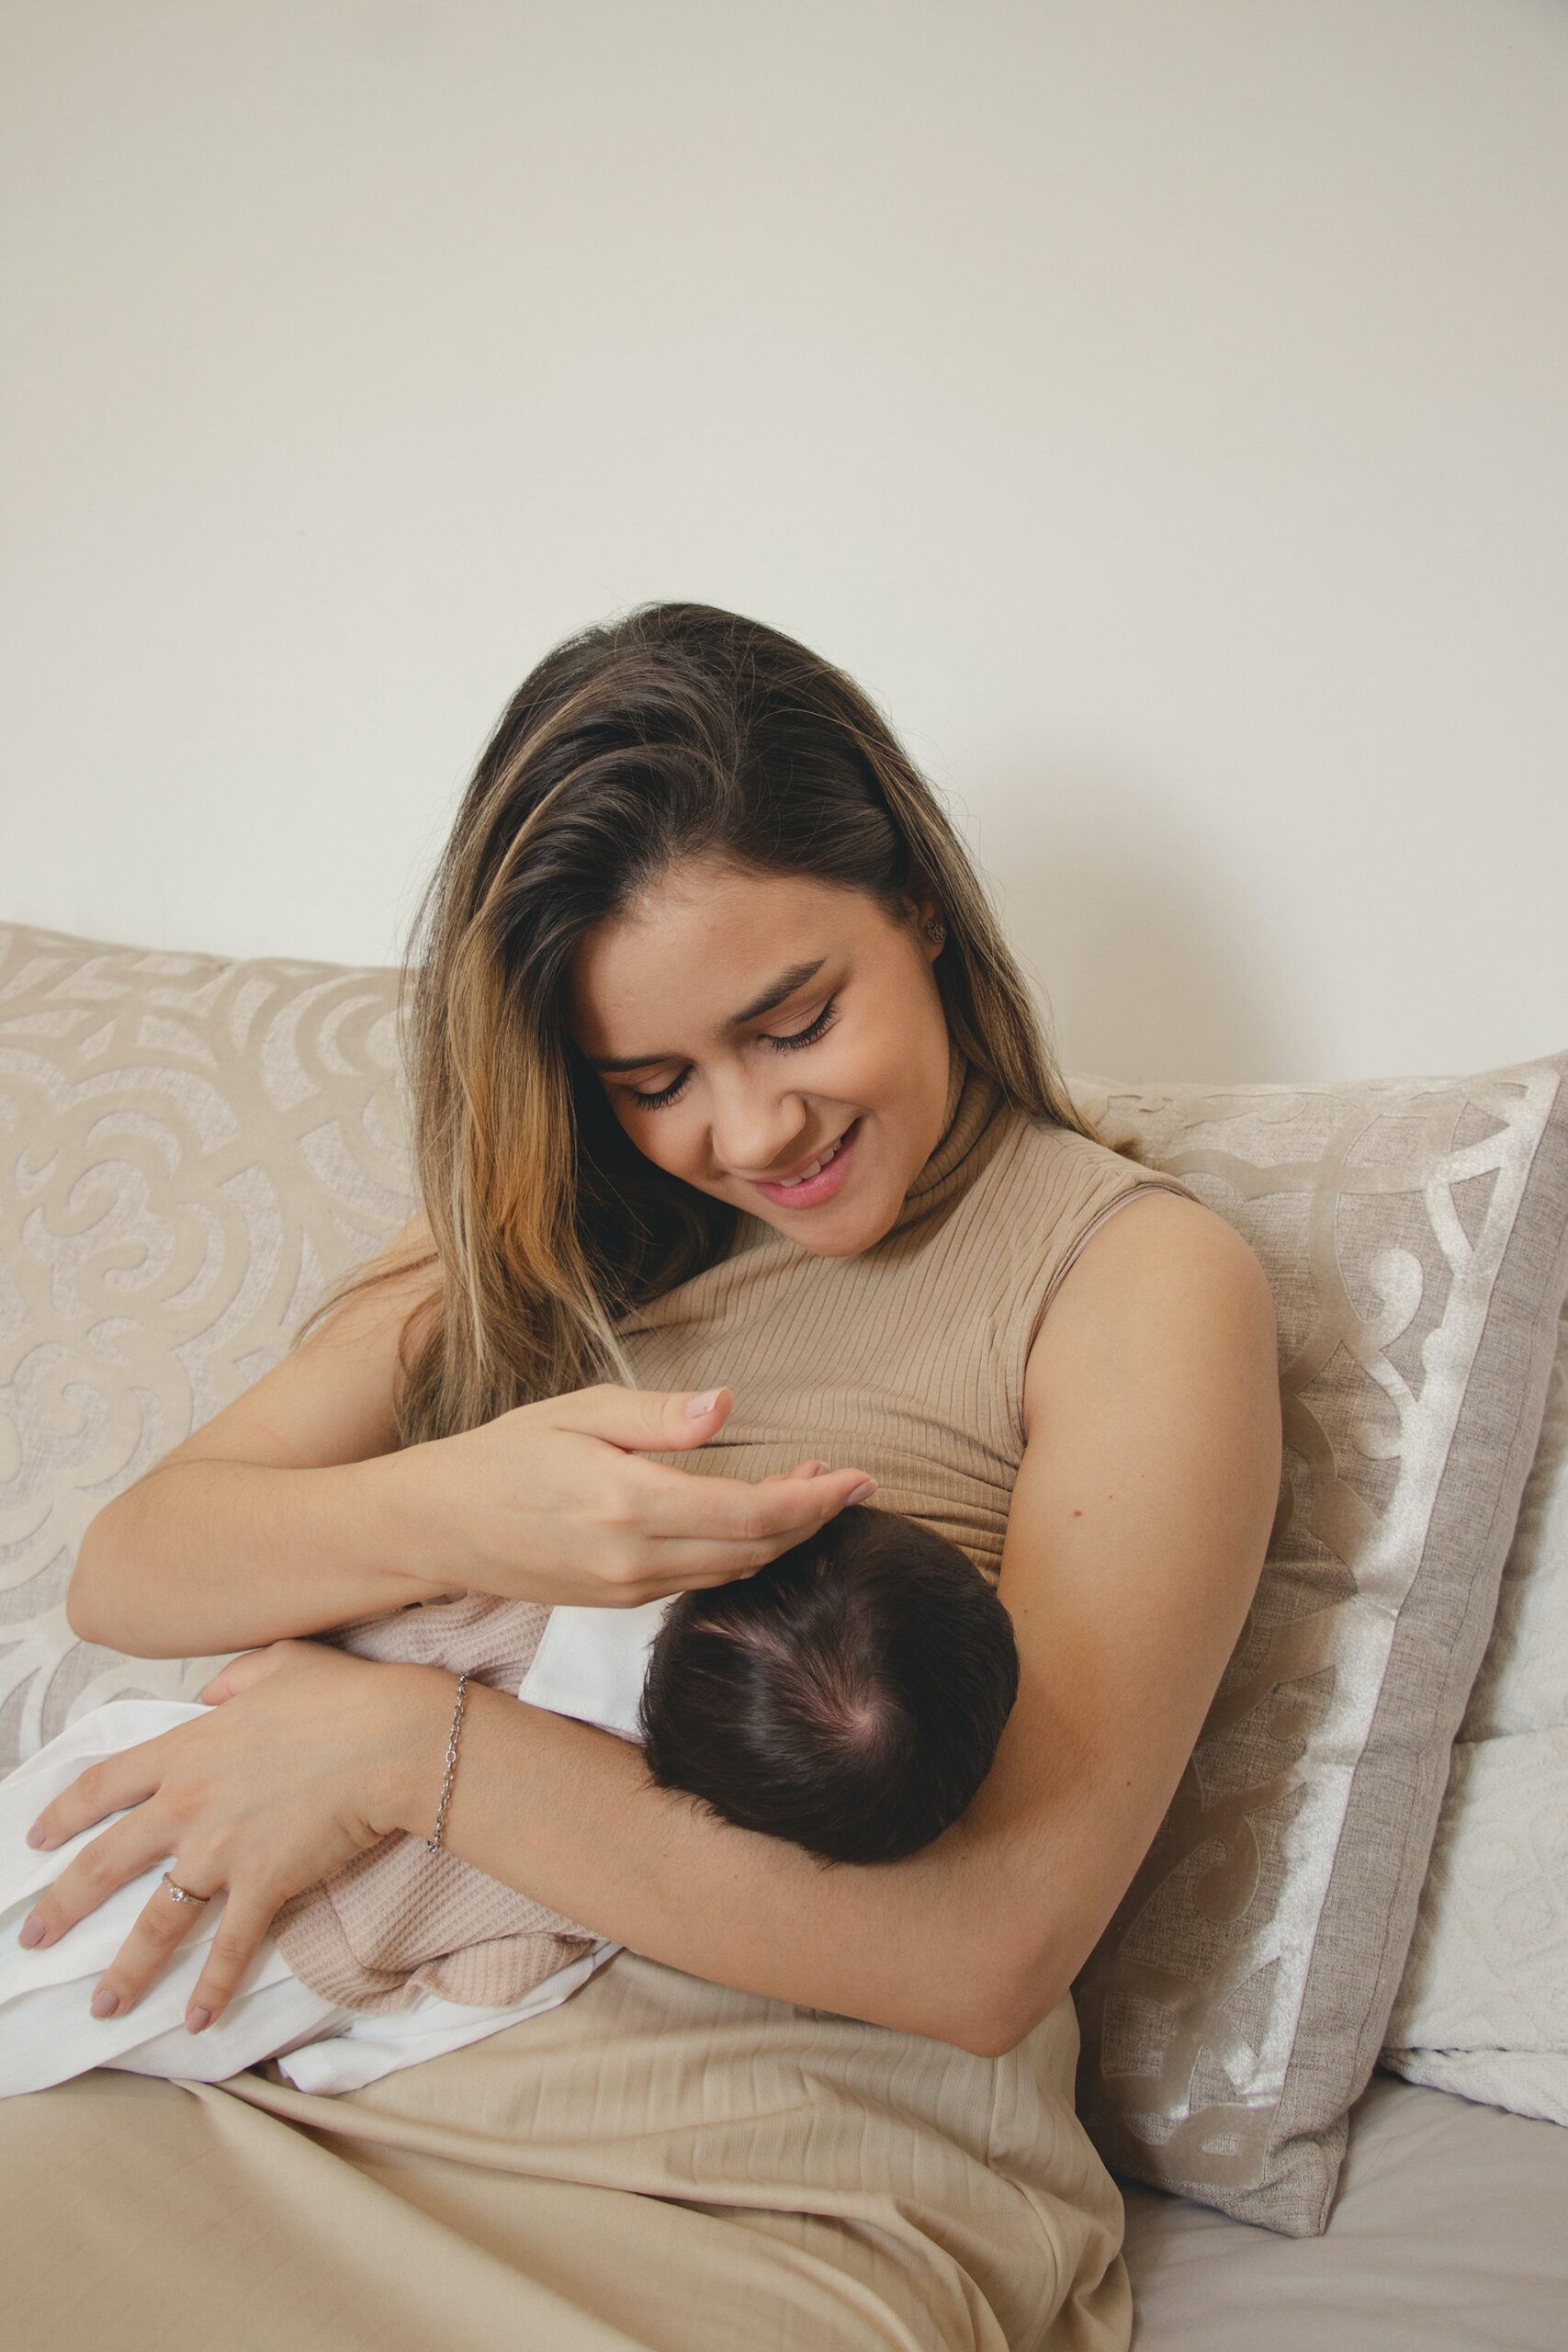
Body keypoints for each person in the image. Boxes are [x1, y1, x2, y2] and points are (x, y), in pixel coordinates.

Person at [2, 602, 1281, 2352]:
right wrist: (462, 1507)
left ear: (913, 898)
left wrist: (410, 1752)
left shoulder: (1122, 1276)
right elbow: (136, 1566)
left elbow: (984, 1951)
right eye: (656, 1078)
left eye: (794, 1020)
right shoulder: (538, 1240)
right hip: (320, 2080)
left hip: (760, 2179)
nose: (751, 1134)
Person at [0, 1504, 1020, 2095]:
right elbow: (453, 2009)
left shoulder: (524, 1582)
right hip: (235, 1988)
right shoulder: (588, 1900)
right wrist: (330, 2059)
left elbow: (306, 1624)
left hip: (172, 1776)